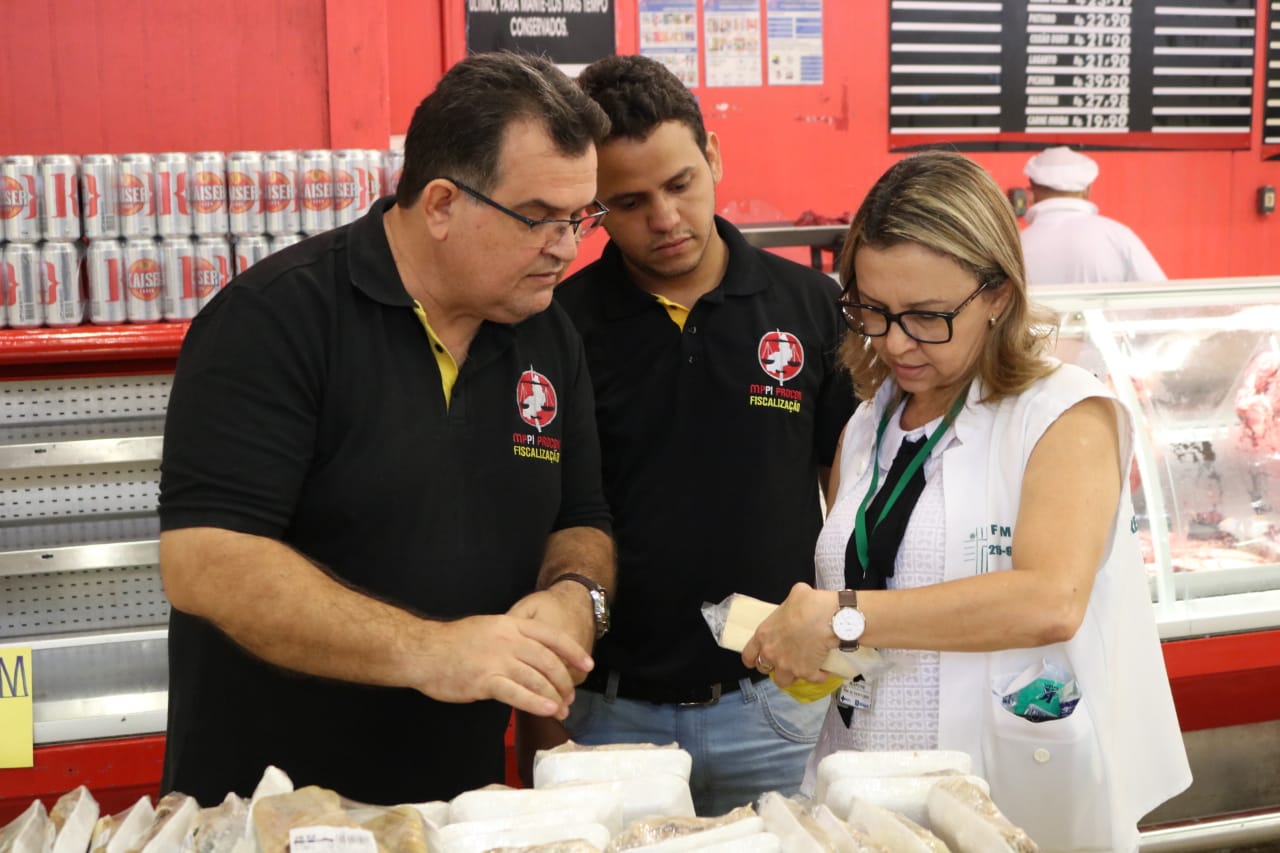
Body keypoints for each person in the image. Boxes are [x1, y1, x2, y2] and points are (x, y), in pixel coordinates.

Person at [157, 51, 617, 807]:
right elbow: (206, 559)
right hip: (271, 805)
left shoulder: (546, 333)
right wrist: (430, 651)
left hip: (457, 802)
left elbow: (581, 515)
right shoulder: (276, 317)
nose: (567, 247)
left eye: (581, 218)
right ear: (440, 203)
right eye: (539, 218)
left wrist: (575, 595)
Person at [741, 151, 1190, 851]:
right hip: (867, 781)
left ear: (998, 294)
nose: (894, 340)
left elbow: (1048, 600)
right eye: (872, 309)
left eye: (926, 316)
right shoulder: (872, 419)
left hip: (1002, 791)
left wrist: (842, 617)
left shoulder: (1062, 412)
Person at [520, 53, 856, 816]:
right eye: (630, 201)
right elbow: (528, 522)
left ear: (712, 156)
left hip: (782, 707)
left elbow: (851, 500)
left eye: (680, 184)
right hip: (608, 719)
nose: (665, 219)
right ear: (592, 206)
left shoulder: (808, 304)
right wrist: (546, 720)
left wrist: (848, 665)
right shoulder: (554, 328)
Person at [1020, 145, 1167, 286]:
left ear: (1031, 191)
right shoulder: (1118, 236)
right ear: (1087, 190)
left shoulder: (1017, 245)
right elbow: (1162, 298)